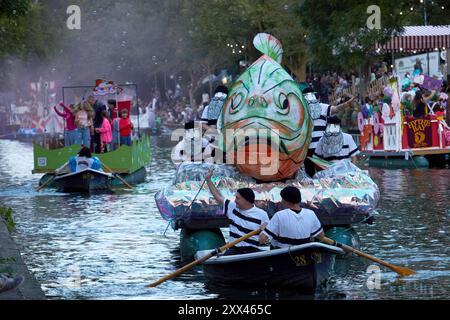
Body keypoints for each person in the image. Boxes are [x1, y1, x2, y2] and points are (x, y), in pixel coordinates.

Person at [205, 168, 269, 255]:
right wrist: (208, 180)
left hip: (252, 251)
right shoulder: (232, 207)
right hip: (234, 250)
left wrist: (264, 232)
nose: (235, 201)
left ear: (246, 200)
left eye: (238, 198)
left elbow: (262, 241)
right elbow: (218, 196)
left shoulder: (262, 215)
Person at [302, 87, 355, 177]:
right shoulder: (302, 110)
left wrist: (346, 104)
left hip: (321, 146)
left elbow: (336, 109)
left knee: (323, 172)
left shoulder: (322, 107)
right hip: (309, 147)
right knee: (312, 173)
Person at [259, 186, 324, 249]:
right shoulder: (311, 214)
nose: (281, 201)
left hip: (282, 257)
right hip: (304, 256)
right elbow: (321, 236)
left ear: (286, 201)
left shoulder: (279, 215)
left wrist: (264, 229)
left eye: (282, 199)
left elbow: (262, 240)